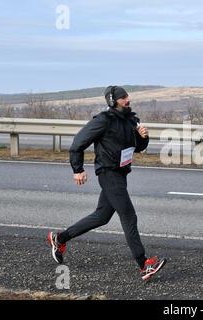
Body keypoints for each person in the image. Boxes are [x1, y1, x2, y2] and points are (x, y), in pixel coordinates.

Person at [47, 85, 166, 281]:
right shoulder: (103, 120)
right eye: (122, 98)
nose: (127, 100)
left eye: (127, 96)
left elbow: (136, 147)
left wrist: (143, 137)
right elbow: (77, 143)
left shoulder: (131, 120)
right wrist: (77, 169)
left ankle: (60, 238)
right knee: (129, 216)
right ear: (113, 101)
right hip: (108, 173)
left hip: (120, 174)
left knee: (101, 216)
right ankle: (144, 264)